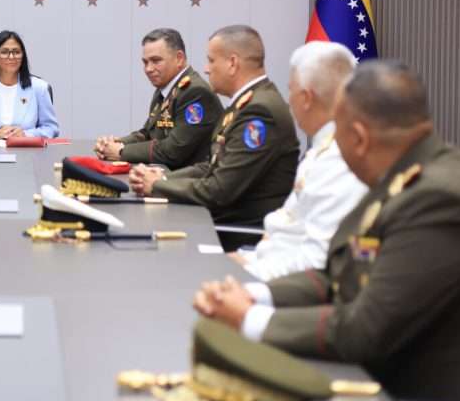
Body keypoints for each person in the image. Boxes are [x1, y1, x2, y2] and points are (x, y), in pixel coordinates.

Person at [193, 61, 460, 401]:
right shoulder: (401, 176)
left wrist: (250, 319)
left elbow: (365, 330)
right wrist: (254, 295)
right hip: (368, 377)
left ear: (359, 139)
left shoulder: (436, 197)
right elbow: (338, 275)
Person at [129, 25, 299, 232]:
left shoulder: (259, 114)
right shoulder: (244, 105)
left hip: (238, 231)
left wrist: (157, 186)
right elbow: (211, 166)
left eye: (211, 60)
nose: (207, 69)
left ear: (232, 63)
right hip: (219, 218)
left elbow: (219, 190)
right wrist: (162, 177)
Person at [231, 41, 367, 280]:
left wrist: (248, 270)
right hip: (264, 262)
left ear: (305, 98)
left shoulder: (340, 161)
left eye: (290, 90)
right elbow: (289, 227)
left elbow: (316, 260)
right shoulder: (321, 150)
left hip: (282, 285)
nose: (289, 100)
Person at [94, 28, 222, 168]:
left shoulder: (195, 92)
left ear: (179, 58)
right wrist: (115, 143)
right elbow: (148, 133)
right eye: (145, 62)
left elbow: (173, 151)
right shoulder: (166, 88)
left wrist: (121, 151)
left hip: (192, 181)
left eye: (156, 61)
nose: (148, 69)